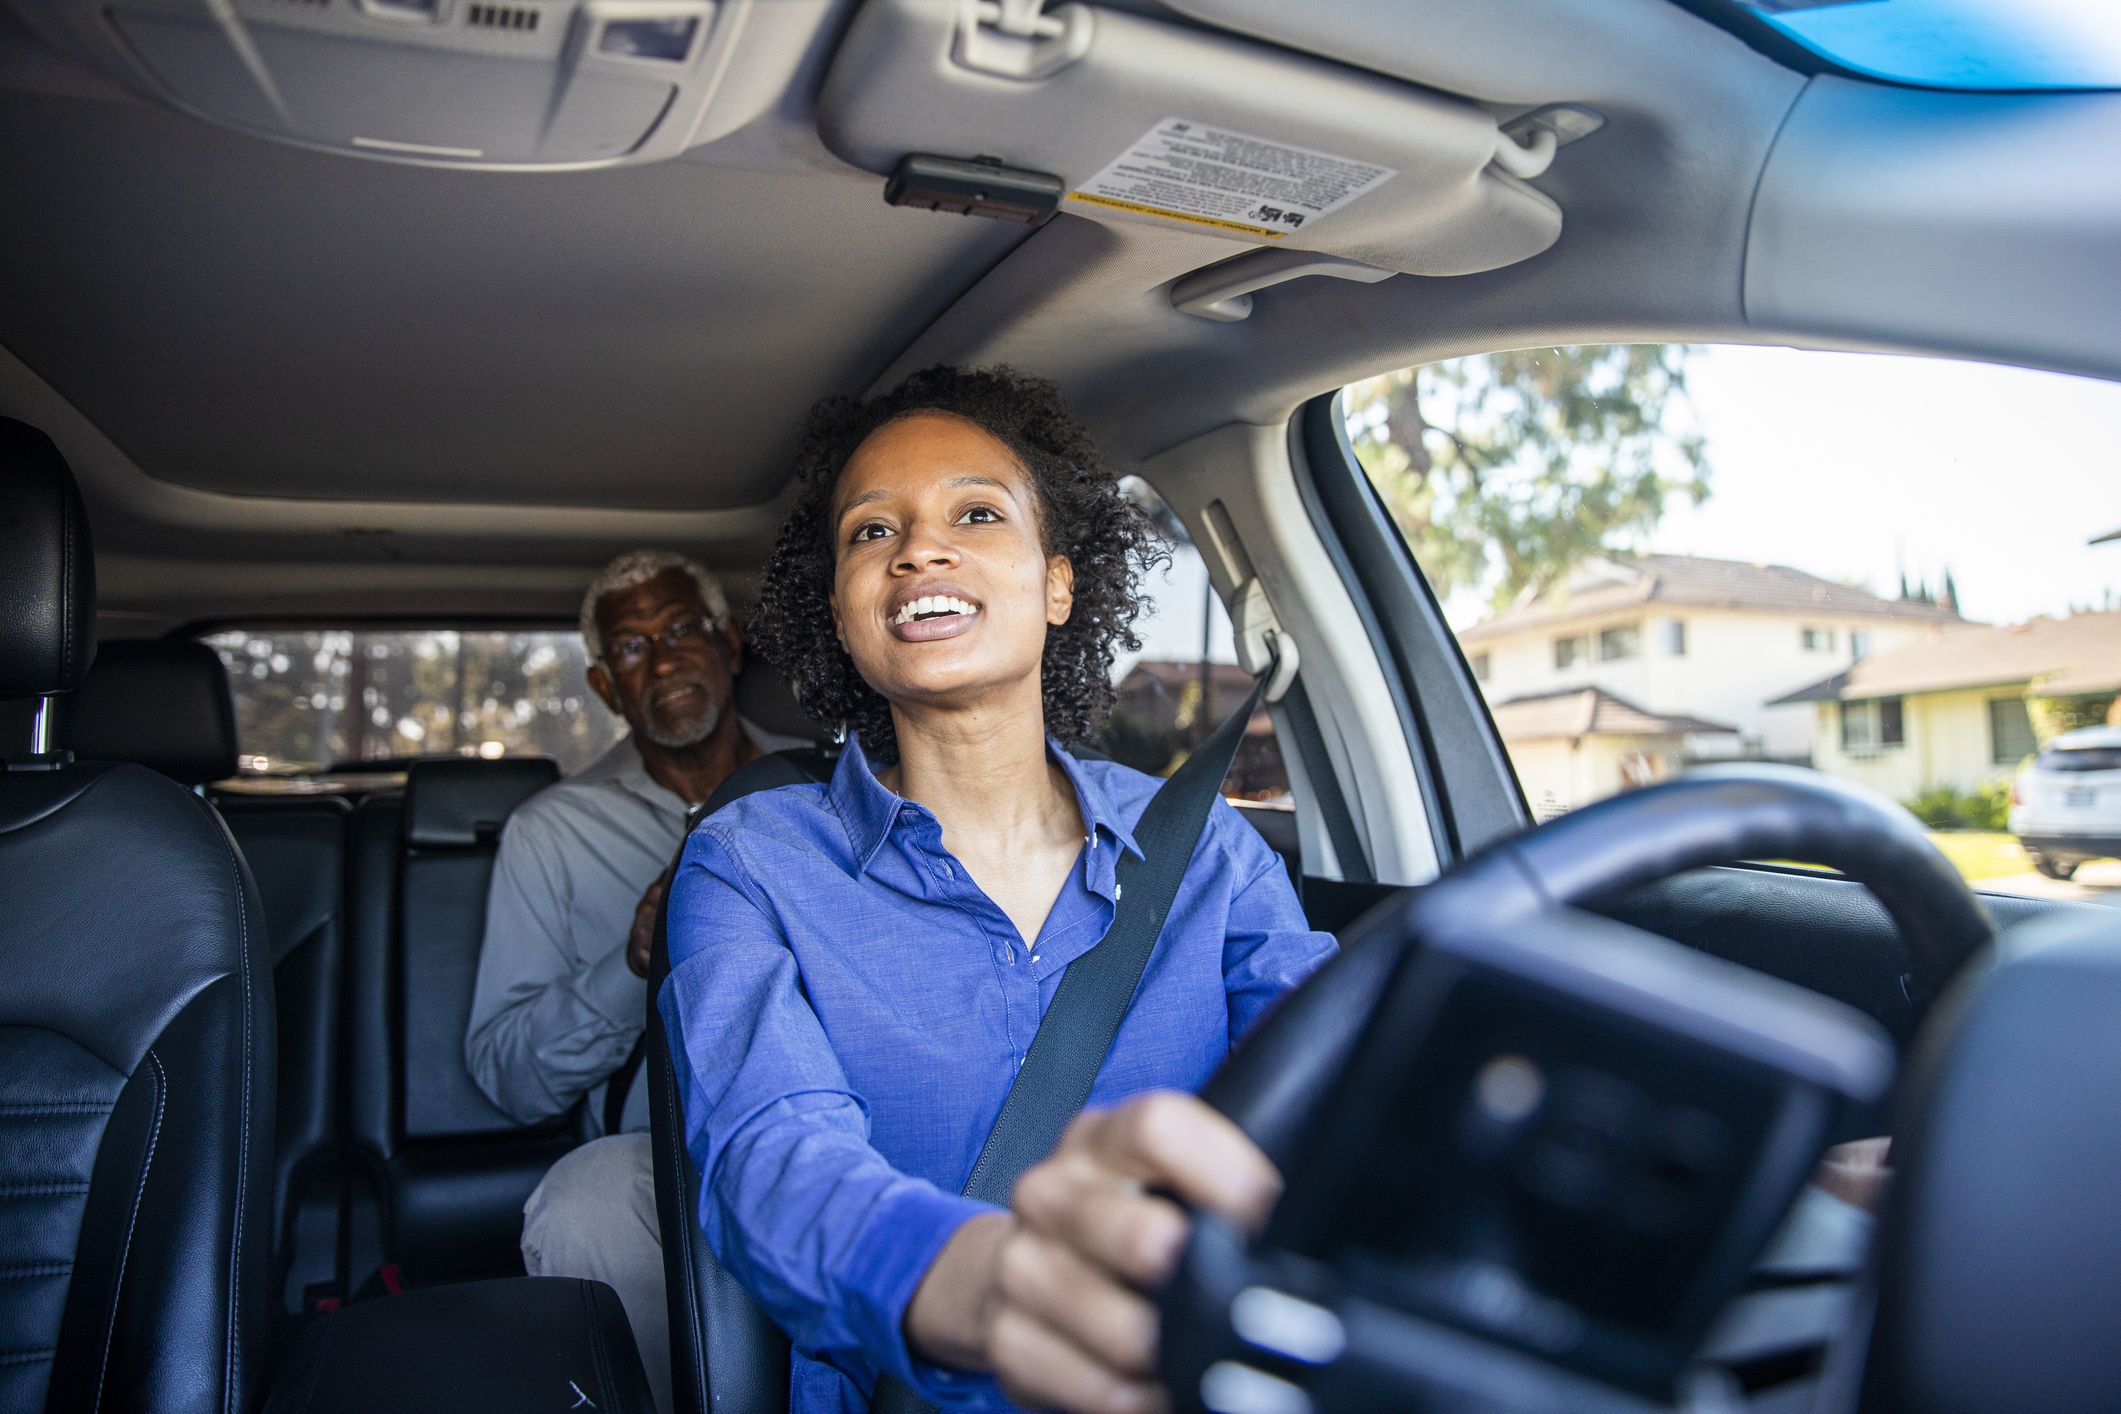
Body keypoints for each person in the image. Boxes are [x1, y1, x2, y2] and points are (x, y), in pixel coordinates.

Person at [659, 365, 1340, 1414]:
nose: (920, 548)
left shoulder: (1206, 849)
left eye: (976, 513)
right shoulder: (749, 862)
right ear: (840, 613)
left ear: (1058, 583)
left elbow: (1343, 1071)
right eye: (870, 533)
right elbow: (770, 1153)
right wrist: (976, 1279)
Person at [465, 547, 797, 1414]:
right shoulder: (551, 832)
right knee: (584, 1200)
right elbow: (506, 1075)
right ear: (608, 687)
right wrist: (633, 966)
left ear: (729, 645)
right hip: (666, 1151)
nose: (666, 657)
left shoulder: (830, 783)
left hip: (849, 1113)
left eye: (683, 629)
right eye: (633, 647)